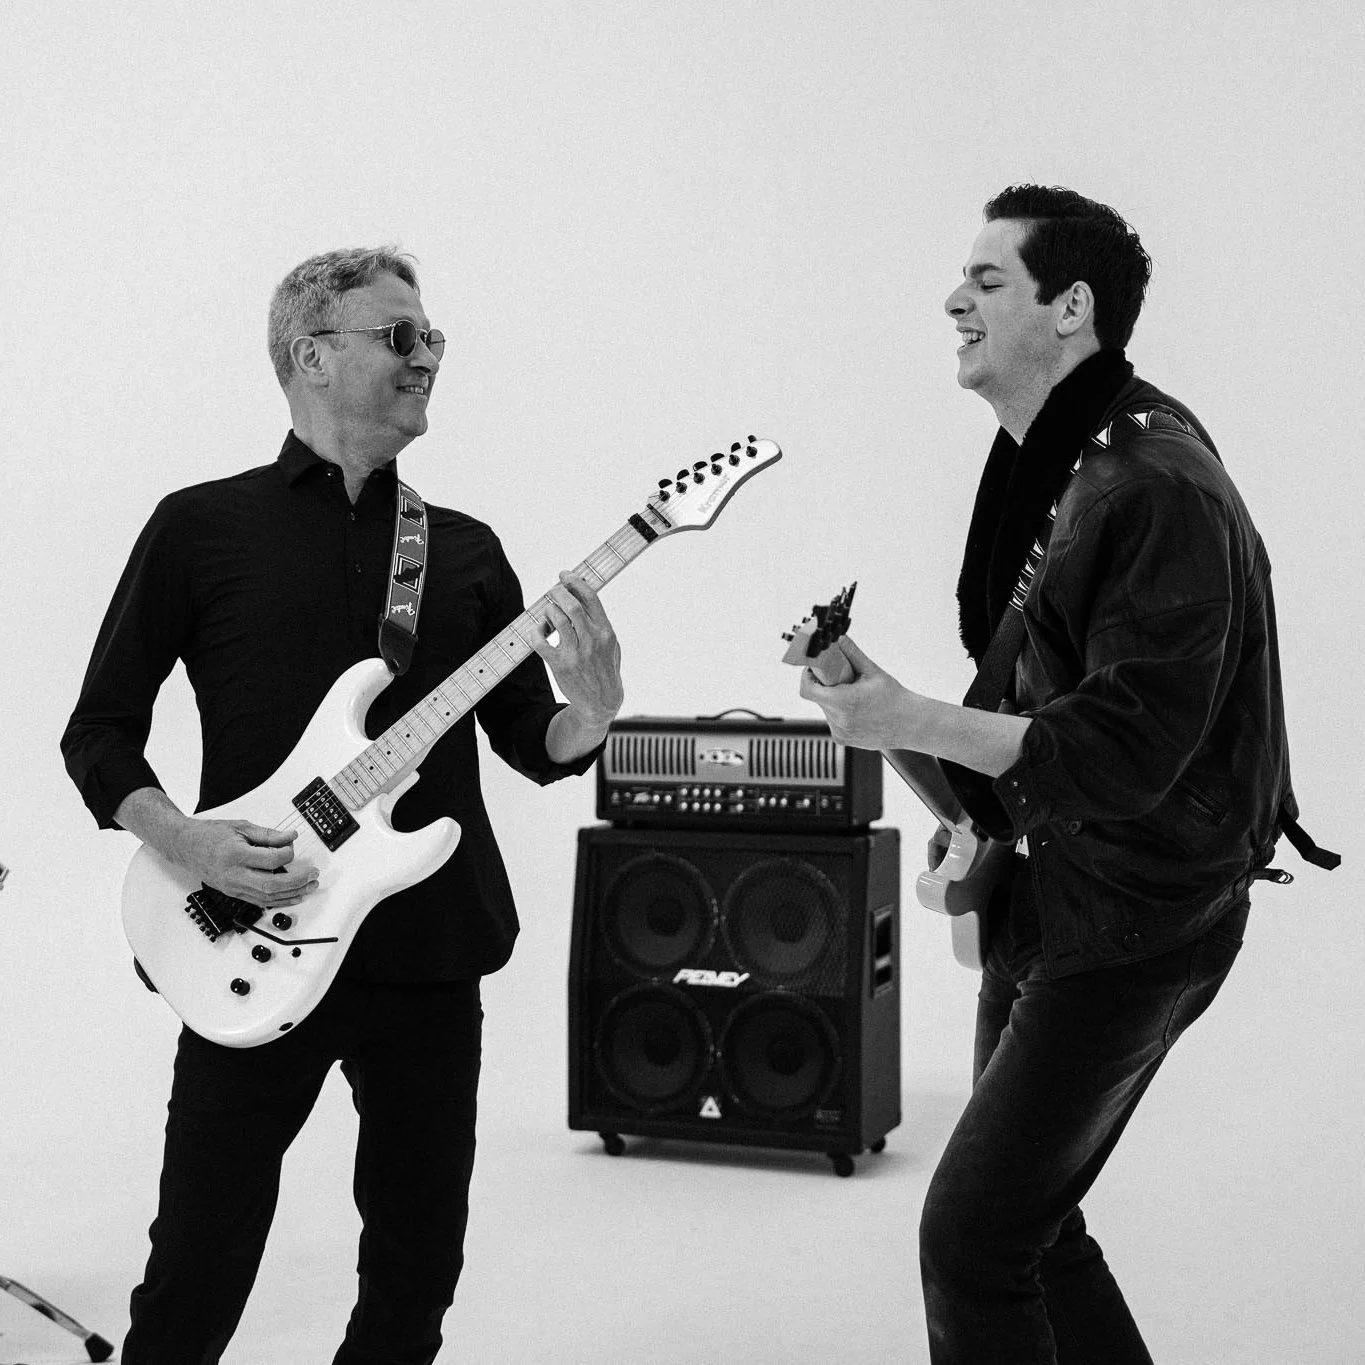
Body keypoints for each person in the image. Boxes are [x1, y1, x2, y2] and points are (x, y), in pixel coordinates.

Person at [798, 185, 1337, 1362]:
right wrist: (888, 714)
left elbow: (1124, 751)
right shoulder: (1063, 461)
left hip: (1139, 922)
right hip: (1055, 895)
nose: (955, 300)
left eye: (988, 280)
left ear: (1072, 307)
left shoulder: (1154, 485)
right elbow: (1028, 713)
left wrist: (910, 717)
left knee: (972, 1240)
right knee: (1028, 1233)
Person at [61, 246, 625, 1364]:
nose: (428, 357)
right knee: (194, 1271)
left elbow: (530, 737)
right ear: (311, 356)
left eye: (433, 337)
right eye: (400, 336)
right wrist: (188, 843)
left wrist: (594, 713)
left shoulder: (463, 550)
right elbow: (98, 732)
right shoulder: (198, 527)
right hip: (251, 931)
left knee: (416, 1271)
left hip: (427, 948)